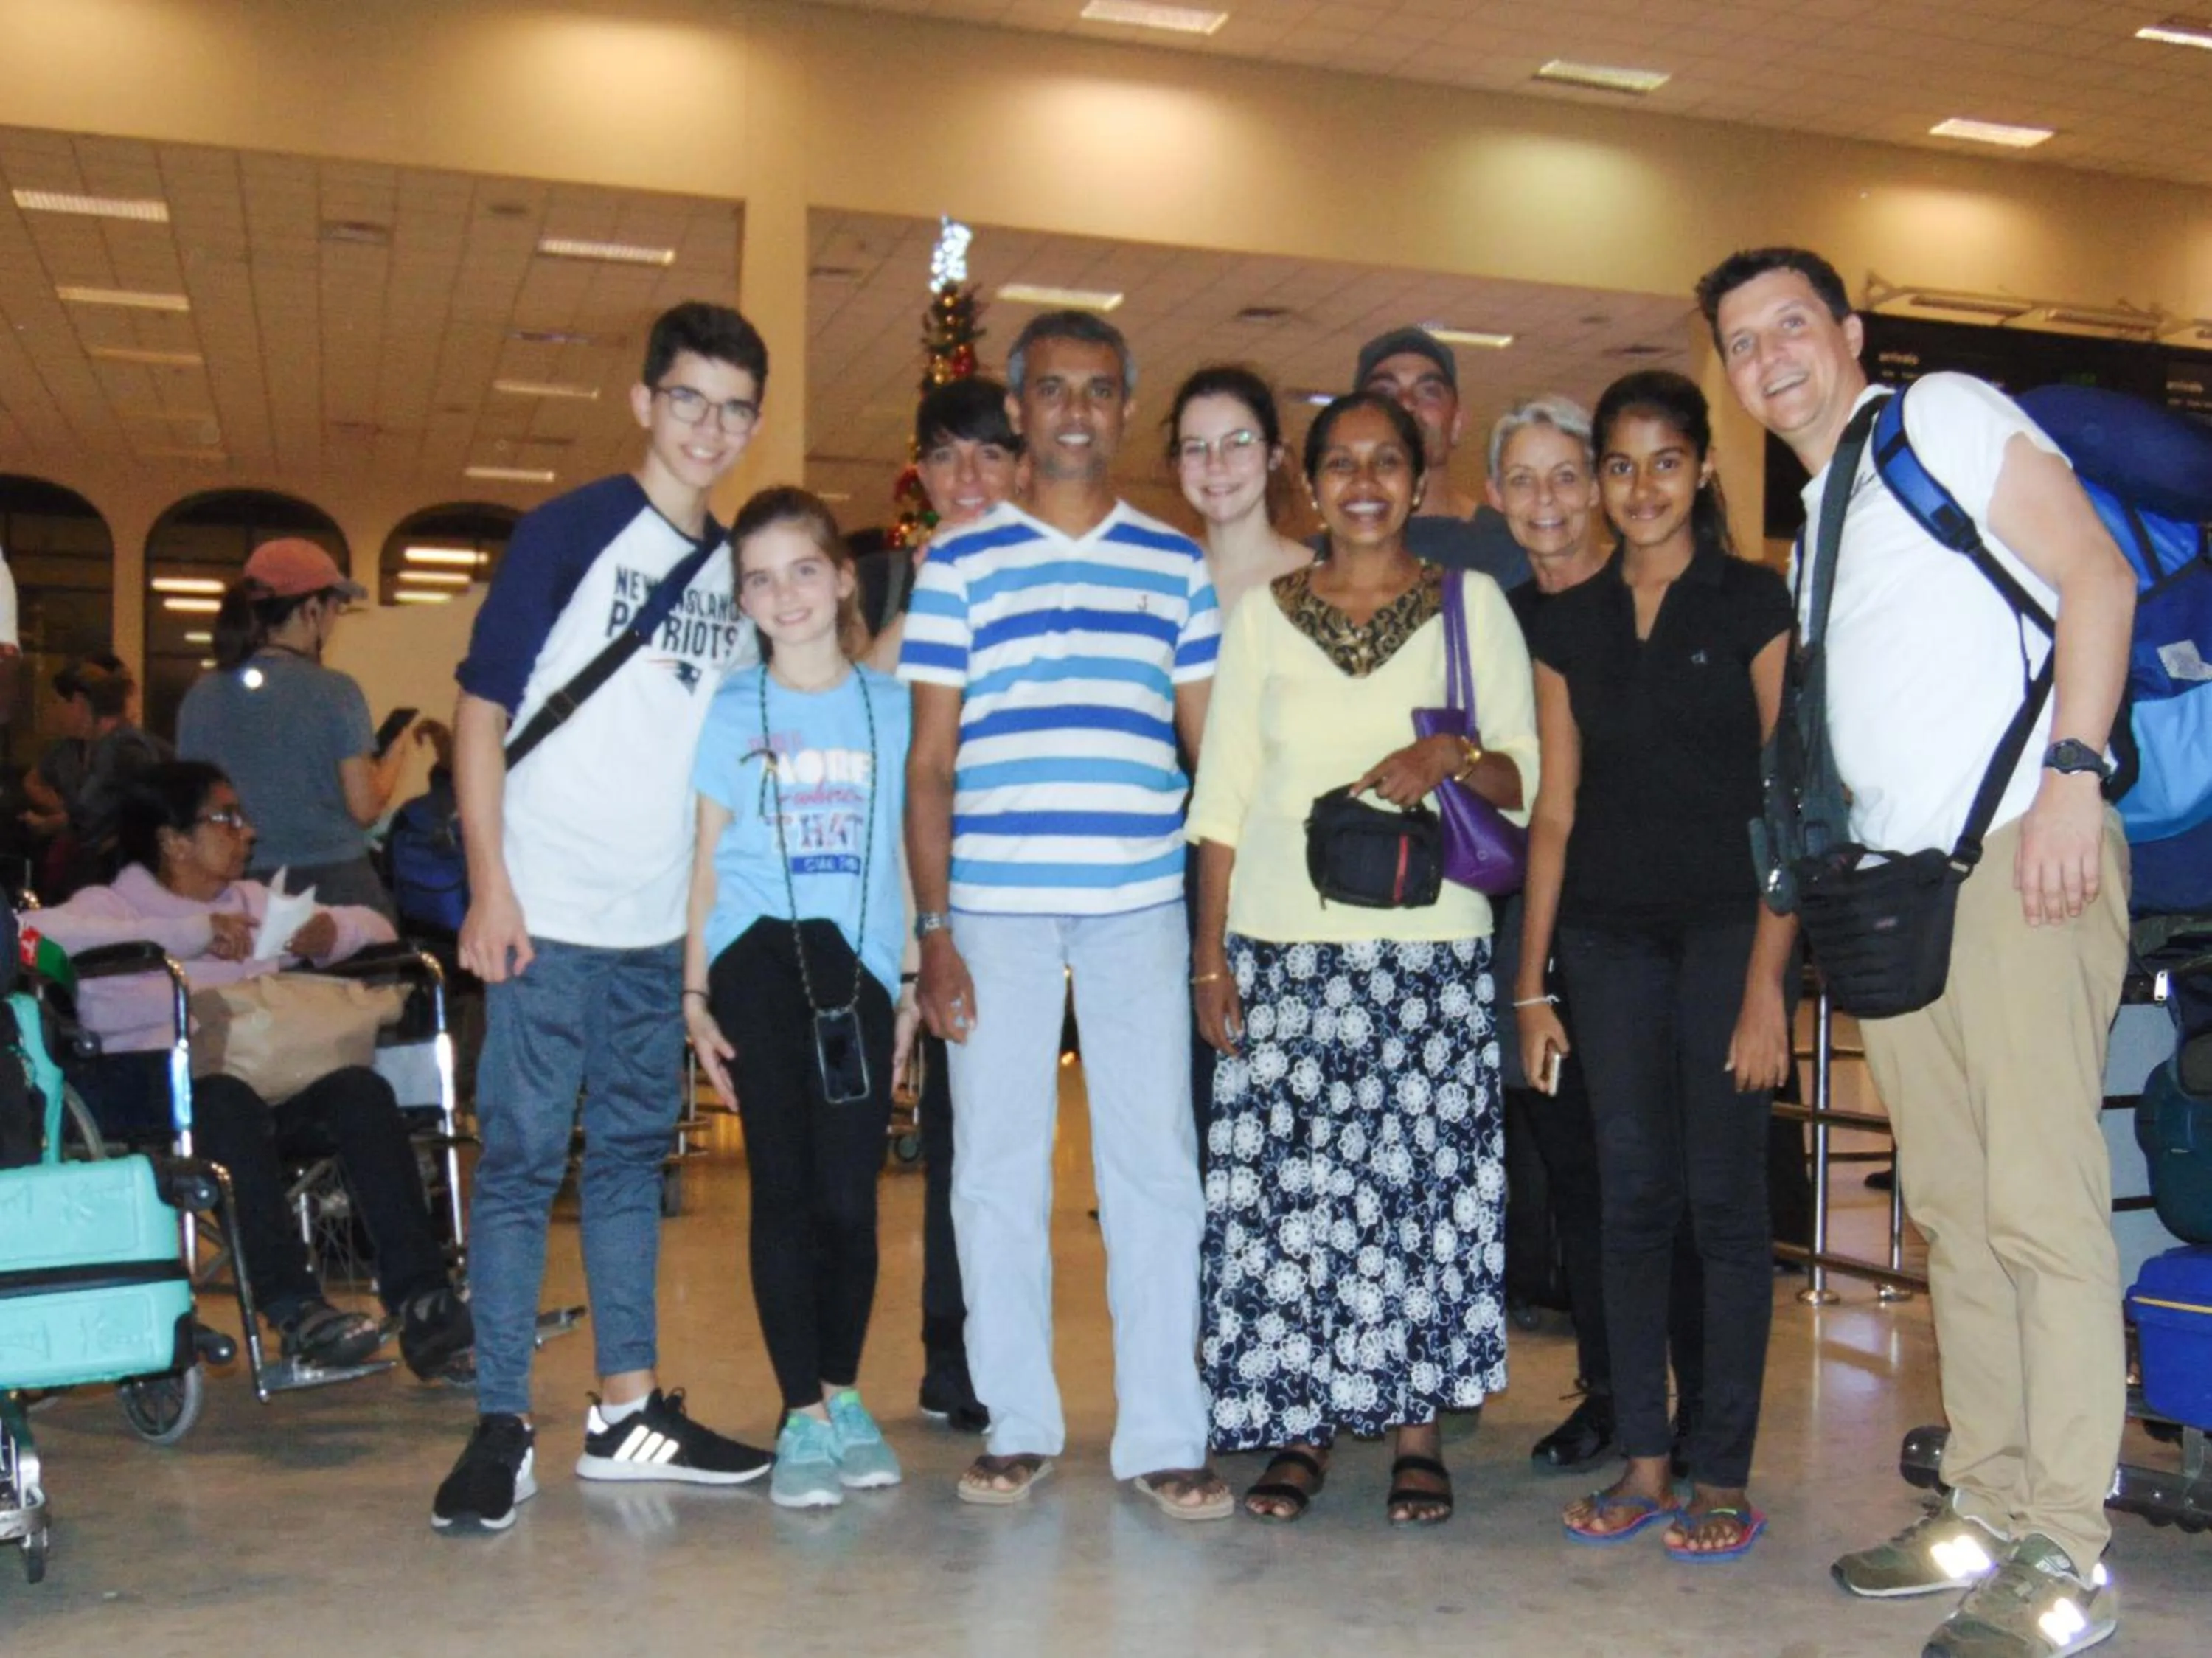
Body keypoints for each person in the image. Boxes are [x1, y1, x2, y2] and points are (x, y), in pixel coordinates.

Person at [1703, 247, 2136, 1656]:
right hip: (1907, 901)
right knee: (1953, 1206)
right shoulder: (1821, 510)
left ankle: (2069, 1545)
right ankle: (1990, 1505)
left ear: (1849, 331)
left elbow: (2096, 576)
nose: (1769, 356)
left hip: (2027, 853)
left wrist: (2074, 774)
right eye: (1740, 340)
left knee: (2043, 1206)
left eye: (1789, 325)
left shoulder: (1940, 414)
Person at [432, 301, 772, 1536]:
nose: (708, 426)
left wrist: (698, 944)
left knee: (634, 1163)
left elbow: (718, 770)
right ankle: (500, 1421)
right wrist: (490, 883)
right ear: (644, 400)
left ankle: (627, 1410)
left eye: (734, 407)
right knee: (522, 1165)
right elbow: (481, 709)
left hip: (648, 928)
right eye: (688, 398)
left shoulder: (740, 574)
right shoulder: (568, 532)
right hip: (542, 911)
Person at [901, 308, 1231, 1519]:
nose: (1077, 410)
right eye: (1053, 389)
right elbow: (929, 763)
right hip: (991, 914)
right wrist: (933, 931)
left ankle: (1161, 1432)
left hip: (1140, 907)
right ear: (1021, 405)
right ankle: (1021, 1418)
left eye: (1098, 389)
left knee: (1157, 1167)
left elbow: (1210, 761)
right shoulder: (960, 564)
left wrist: (1212, 932)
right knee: (994, 1172)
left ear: (1124, 404)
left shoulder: (1174, 563)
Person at [1188, 391, 1536, 1525]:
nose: (1366, 481)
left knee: (1416, 1199)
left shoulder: (1469, 604)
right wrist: (1209, 955)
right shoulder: (1261, 617)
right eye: (1342, 463)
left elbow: (1523, 782)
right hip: (1282, 950)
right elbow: (1223, 797)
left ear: (1421, 480)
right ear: (1311, 483)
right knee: (1294, 1203)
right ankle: (1298, 1431)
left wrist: (1453, 748)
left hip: (1427, 953)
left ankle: (1416, 1436)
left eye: (1389, 461)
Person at [1517, 370, 1795, 1563]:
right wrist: (1528, 984)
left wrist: (1767, 985)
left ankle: (1720, 1467)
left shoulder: (1752, 601)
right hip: (1607, 940)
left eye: (1664, 462)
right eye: (1619, 465)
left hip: (1730, 930)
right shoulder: (1566, 621)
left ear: (1702, 471)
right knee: (1631, 1202)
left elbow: (1791, 798)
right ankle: (1645, 1455)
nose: (1640, 487)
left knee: (1725, 1204)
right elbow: (1556, 813)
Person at [32, 760, 474, 1380]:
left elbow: (376, 926)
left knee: (359, 1091)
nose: (248, 832)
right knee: (224, 1102)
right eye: (227, 818)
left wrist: (329, 933)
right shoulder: (110, 905)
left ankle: (423, 1300)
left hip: (270, 1087)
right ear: (172, 839)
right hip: (168, 1099)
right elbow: (33, 935)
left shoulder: (253, 902)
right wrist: (189, 937)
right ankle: (295, 1310)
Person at [685, 488, 916, 1509]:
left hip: (858, 970)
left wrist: (907, 984)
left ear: (843, 579)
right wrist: (692, 991)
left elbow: (912, 859)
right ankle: (800, 1416)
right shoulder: (732, 709)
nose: (785, 594)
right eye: (760, 578)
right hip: (754, 959)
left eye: (804, 569)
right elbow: (702, 862)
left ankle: (843, 1392)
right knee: (782, 1189)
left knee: (849, 1198)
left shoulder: (894, 707)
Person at [863, 376, 1019, 1434]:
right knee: (963, 1144)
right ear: (921, 471)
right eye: (948, 456)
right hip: (943, 913)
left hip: (1067, 894)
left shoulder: (1053, 568)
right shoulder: (891, 587)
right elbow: (871, 725)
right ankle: (953, 1356)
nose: (969, 477)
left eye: (989, 454)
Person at [176, 539, 409, 919]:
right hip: (333, 889)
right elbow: (365, 809)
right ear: (311, 608)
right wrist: (394, 760)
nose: (335, 622)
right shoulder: (336, 691)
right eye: (336, 607)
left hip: (235, 892)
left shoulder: (201, 695)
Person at [1349, 327, 1530, 590]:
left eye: (1428, 392)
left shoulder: (1512, 550)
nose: (1407, 404)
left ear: (1456, 424)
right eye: (1386, 394)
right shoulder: (1319, 560)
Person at [1166, 365, 1312, 617]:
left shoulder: (1319, 584)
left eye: (1238, 444)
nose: (1215, 465)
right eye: (1195, 448)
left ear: (1274, 455)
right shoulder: (1161, 577)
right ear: (1178, 463)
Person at [24, 654, 171, 895]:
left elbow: (88, 816)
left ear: (80, 703)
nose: (55, 713)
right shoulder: (120, 747)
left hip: (118, 874)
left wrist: (52, 823)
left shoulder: (119, 750)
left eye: (59, 703)